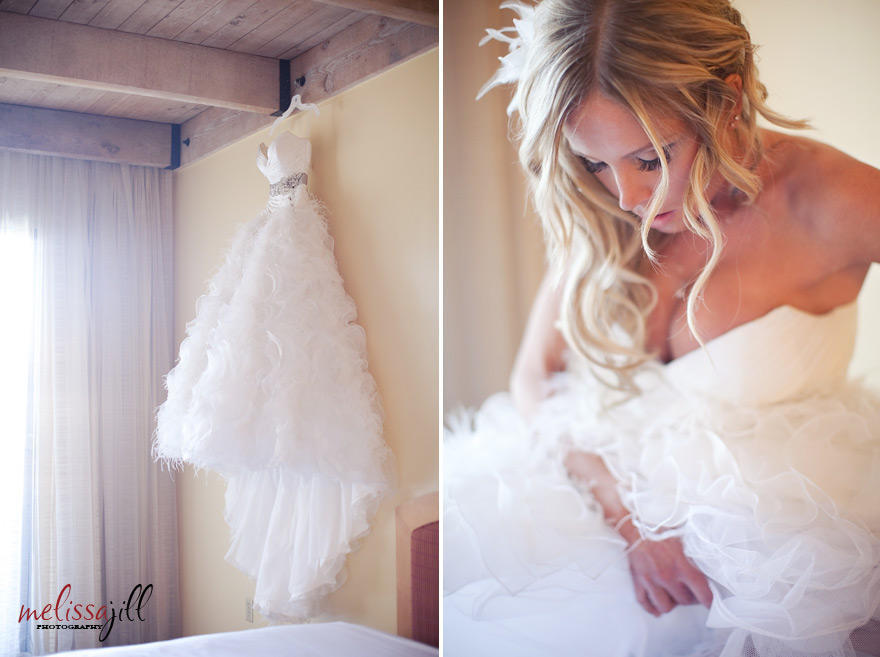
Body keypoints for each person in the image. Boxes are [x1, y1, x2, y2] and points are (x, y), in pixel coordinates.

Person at [443, 1, 880, 656]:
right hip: (582, 511)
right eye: (596, 163)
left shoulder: (833, 200)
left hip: (767, 560)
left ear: (726, 102)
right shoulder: (601, 214)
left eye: (650, 158)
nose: (625, 197)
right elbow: (534, 375)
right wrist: (631, 524)